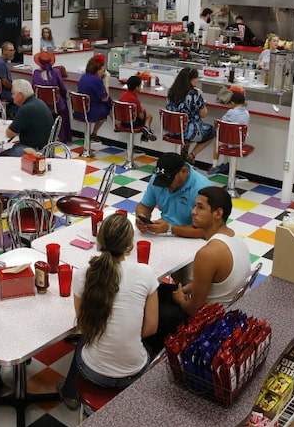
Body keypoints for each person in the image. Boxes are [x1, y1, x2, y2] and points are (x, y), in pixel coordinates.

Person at [57, 213, 158, 410]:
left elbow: (85, 326)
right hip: (134, 373)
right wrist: (127, 336)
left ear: (99, 241)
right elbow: (152, 328)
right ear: (130, 246)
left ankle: (70, 394)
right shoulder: (146, 273)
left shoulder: (83, 274)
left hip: (94, 373)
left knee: (85, 341)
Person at [171, 186, 251, 313]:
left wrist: (180, 299)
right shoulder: (235, 238)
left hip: (213, 322)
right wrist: (194, 286)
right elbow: (224, 284)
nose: (193, 212)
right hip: (235, 312)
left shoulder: (207, 253)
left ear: (218, 213)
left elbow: (193, 309)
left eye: (200, 207)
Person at [135, 152, 213, 239]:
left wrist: (170, 229)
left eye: (169, 181)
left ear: (184, 171)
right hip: (164, 233)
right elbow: (145, 205)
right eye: (162, 181)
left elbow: (206, 230)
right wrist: (142, 217)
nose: (166, 186)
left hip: (192, 237)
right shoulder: (157, 179)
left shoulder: (203, 188)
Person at [166, 67, 214, 163]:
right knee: (211, 131)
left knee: (187, 126)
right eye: (196, 78)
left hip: (171, 130)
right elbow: (204, 114)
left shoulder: (171, 92)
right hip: (186, 132)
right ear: (190, 79)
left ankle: (183, 154)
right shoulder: (194, 94)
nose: (197, 80)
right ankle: (191, 155)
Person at [1, 79, 53, 156]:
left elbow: (9, 134)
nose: (12, 96)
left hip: (32, 150)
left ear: (20, 95)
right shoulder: (38, 102)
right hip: (45, 147)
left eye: (13, 94)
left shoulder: (26, 109)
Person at [31, 50, 71, 142]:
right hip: (55, 105)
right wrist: (64, 96)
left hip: (40, 105)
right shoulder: (56, 72)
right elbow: (62, 88)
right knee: (64, 107)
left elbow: (33, 87)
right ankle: (63, 137)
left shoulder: (36, 73)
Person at [209, 89, 249, 175]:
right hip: (241, 142)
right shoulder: (246, 113)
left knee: (217, 139)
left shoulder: (231, 112)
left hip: (231, 142)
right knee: (228, 139)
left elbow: (222, 122)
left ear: (233, 103)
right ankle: (226, 165)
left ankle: (215, 165)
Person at [77, 55, 112, 142]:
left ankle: (94, 133)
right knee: (109, 104)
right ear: (98, 69)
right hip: (91, 112)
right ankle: (116, 124)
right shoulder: (97, 80)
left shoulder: (83, 77)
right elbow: (105, 98)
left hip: (80, 110)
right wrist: (106, 81)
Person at [121, 76, 156, 142]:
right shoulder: (135, 100)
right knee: (149, 116)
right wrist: (143, 112)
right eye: (140, 86)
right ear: (137, 87)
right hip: (132, 124)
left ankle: (146, 132)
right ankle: (146, 131)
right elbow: (141, 117)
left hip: (123, 122)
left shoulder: (123, 95)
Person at [0, 41, 16, 115]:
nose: (13, 52)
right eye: (10, 50)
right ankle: (12, 115)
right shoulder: (1, 63)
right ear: (4, 51)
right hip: (2, 92)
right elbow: (4, 81)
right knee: (20, 97)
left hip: (1, 91)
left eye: (13, 50)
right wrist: (14, 88)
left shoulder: (1, 61)